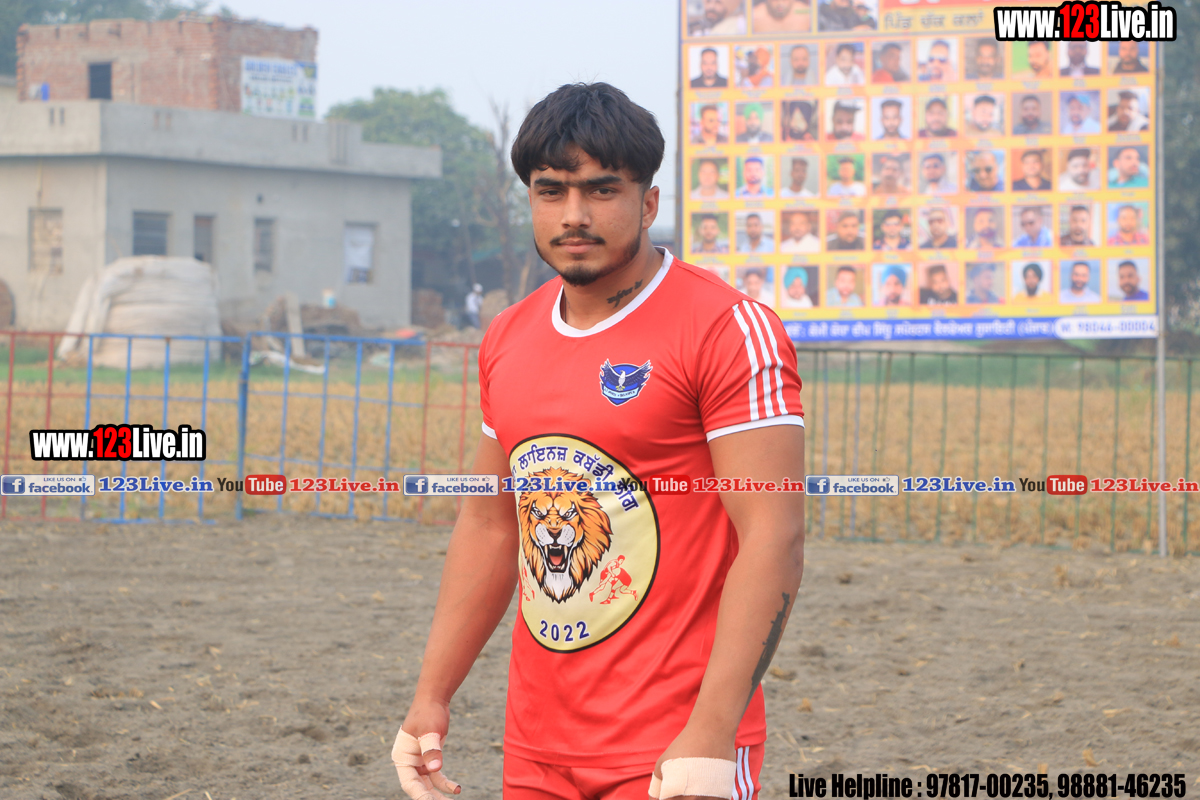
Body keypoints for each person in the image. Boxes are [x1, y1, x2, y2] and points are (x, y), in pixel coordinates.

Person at [394, 82, 805, 800]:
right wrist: (432, 695)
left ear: (648, 202)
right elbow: (491, 524)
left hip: (674, 745)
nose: (574, 215)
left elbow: (774, 534)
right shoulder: (508, 336)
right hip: (536, 748)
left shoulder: (727, 328)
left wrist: (712, 731)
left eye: (601, 190)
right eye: (551, 191)